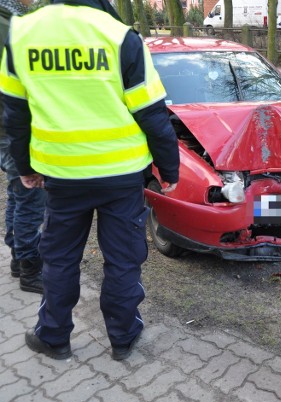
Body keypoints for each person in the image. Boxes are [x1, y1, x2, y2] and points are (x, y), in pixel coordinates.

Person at [0, 0, 180, 360]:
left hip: (63, 176)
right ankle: (123, 337)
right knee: (123, 259)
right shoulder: (120, 37)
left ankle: (53, 337)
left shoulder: (21, 34)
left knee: (61, 258)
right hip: (121, 177)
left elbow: (14, 114)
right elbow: (152, 114)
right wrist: (169, 169)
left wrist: (25, 166)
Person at [0, 0, 46, 294]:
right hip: (14, 123)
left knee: (17, 192)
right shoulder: (10, 21)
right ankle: (29, 267)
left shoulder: (10, 16)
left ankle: (18, 256)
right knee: (29, 197)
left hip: (7, 124)